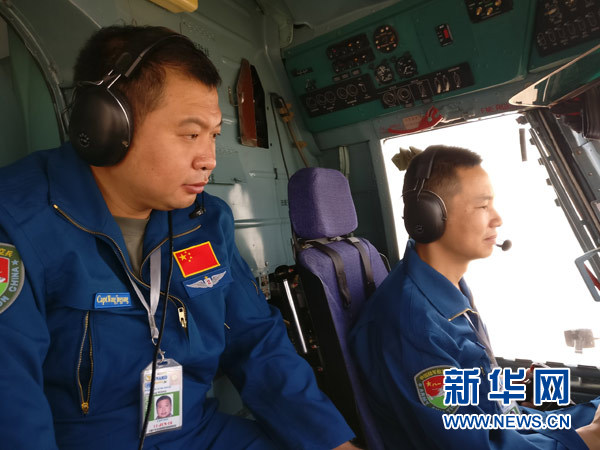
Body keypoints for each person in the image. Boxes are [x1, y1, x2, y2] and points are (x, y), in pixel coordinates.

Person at [0, 25, 357, 450]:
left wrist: (331, 442)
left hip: (196, 431)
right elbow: (12, 402)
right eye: (190, 134)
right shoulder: (16, 221)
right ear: (105, 125)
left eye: (213, 136)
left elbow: (256, 342)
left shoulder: (206, 219)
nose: (209, 159)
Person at [349, 145, 600, 449]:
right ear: (429, 215)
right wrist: (587, 440)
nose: (497, 219)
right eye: (483, 206)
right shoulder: (412, 324)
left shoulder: (448, 289)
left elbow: (490, 414)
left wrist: (583, 418)